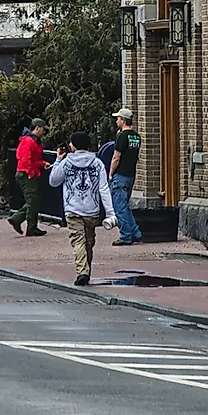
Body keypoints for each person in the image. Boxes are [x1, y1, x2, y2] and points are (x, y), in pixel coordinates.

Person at [48, 130, 112, 286]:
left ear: (74, 145)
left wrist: (57, 160)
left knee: (78, 241)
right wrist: (110, 211)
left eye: (71, 143)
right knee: (88, 242)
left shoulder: (67, 162)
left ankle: (83, 272)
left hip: (73, 208)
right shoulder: (97, 163)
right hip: (92, 209)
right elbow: (104, 188)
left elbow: (53, 181)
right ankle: (85, 271)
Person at [105, 110, 144, 245]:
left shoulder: (122, 136)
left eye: (118, 119)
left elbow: (117, 156)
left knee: (119, 207)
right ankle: (135, 232)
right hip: (131, 175)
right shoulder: (137, 137)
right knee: (125, 206)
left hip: (120, 175)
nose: (117, 121)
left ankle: (125, 236)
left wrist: (110, 172)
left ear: (123, 120)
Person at [12, 120, 49, 235]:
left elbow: (33, 160)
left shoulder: (32, 141)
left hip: (28, 172)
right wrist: (30, 172)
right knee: (33, 200)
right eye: (43, 129)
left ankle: (17, 219)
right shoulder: (29, 141)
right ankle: (30, 227)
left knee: (33, 200)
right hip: (26, 174)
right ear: (37, 128)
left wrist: (42, 164)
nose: (44, 132)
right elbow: (25, 159)